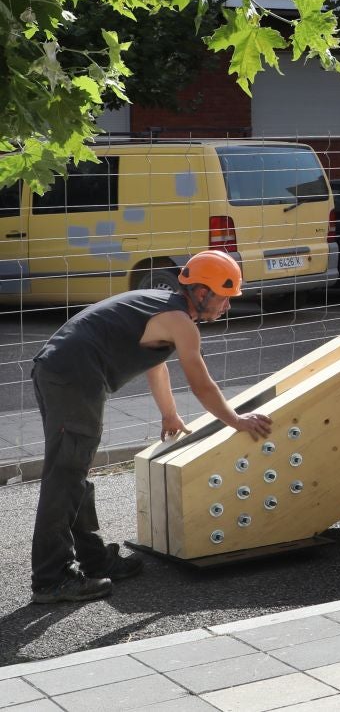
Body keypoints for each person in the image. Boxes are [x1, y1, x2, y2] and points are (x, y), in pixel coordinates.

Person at [30, 250, 272, 603]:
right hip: (73, 376)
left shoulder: (164, 307)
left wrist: (170, 414)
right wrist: (235, 420)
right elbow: (202, 383)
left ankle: (94, 560)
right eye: (224, 297)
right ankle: (50, 580)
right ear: (202, 292)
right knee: (65, 476)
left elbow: (155, 365)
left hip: (61, 371)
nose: (227, 307)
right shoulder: (181, 322)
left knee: (73, 471)